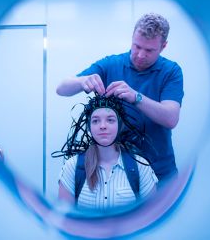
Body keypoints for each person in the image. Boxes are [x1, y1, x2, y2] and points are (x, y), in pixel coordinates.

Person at [56, 13, 184, 182]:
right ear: (132, 38)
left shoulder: (171, 71)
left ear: (163, 46)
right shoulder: (111, 64)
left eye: (149, 50)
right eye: (137, 46)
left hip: (159, 168)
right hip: (115, 170)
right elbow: (61, 89)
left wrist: (136, 97)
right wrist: (82, 80)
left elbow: (171, 118)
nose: (140, 55)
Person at [53, 94, 157, 210]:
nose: (103, 126)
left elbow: (150, 217)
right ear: (89, 127)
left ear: (120, 125)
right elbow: (65, 219)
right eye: (96, 121)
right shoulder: (72, 166)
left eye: (110, 120)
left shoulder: (140, 166)